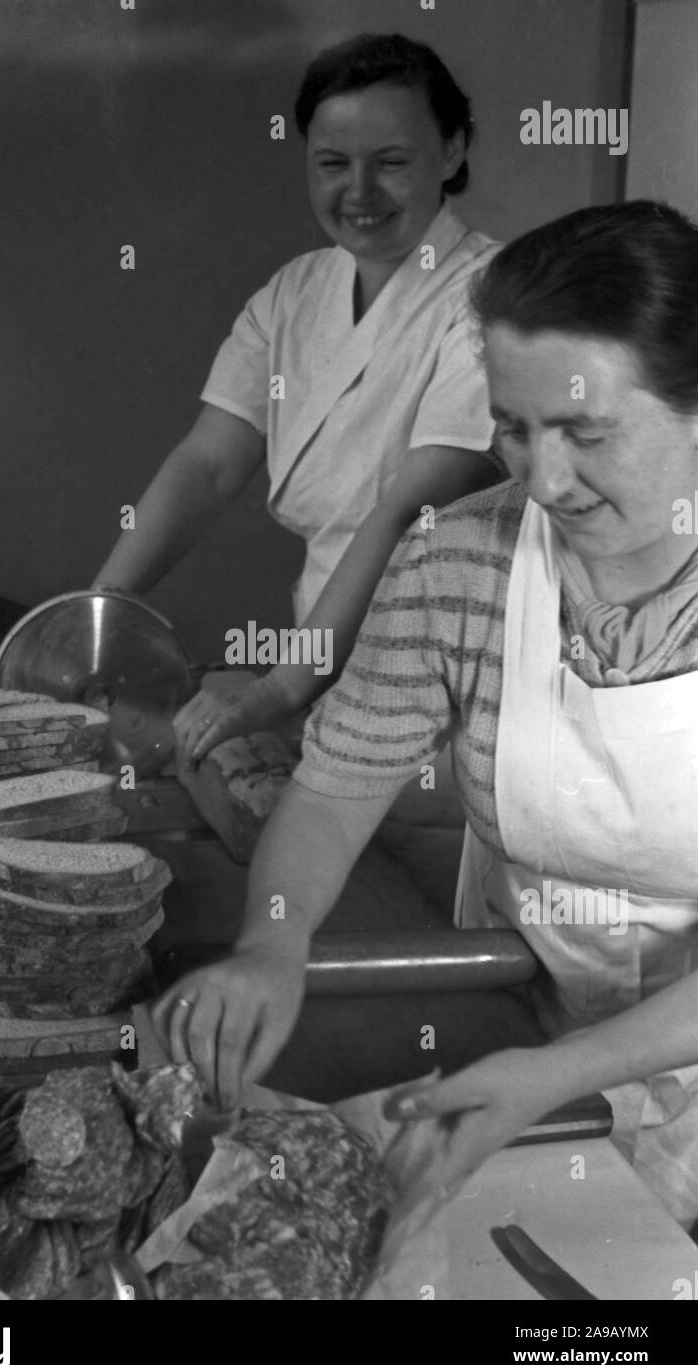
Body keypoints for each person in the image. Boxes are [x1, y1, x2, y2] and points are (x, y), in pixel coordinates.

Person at [154, 200, 698, 1229]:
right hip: (534, 1038)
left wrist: (553, 1076)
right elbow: (331, 788)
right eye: (511, 426)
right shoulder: (459, 559)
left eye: (585, 433)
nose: (540, 478)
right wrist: (274, 941)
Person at [95, 34, 501, 754]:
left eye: (392, 163)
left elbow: (409, 509)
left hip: (444, 667)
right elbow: (206, 465)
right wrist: (99, 618)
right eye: (332, 164)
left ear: (453, 151)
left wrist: (280, 686)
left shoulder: (492, 295)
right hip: (321, 651)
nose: (359, 193)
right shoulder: (293, 292)